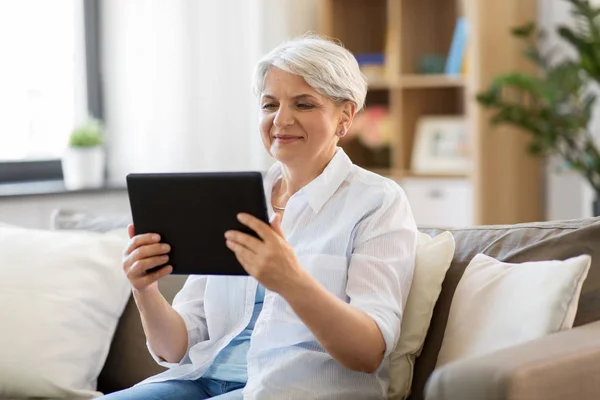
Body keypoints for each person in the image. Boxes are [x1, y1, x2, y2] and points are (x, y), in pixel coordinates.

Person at [102, 34, 417, 400]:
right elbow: (176, 348)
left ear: (344, 116)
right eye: (270, 105)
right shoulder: (234, 199)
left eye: (303, 104)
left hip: (290, 391)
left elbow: (367, 353)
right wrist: (144, 290)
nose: (281, 119)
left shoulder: (377, 202)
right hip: (199, 381)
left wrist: (291, 280)